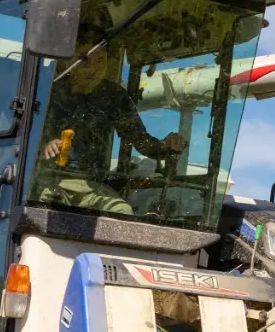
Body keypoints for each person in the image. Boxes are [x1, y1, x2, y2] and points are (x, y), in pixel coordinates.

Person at [32, 36, 186, 215]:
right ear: (68, 61)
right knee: (43, 210)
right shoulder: (49, 92)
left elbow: (141, 141)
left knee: (122, 212)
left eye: (100, 61)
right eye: (84, 60)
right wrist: (46, 144)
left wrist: (164, 146)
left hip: (95, 187)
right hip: (51, 181)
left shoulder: (114, 97)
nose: (92, 69)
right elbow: (24, 140)